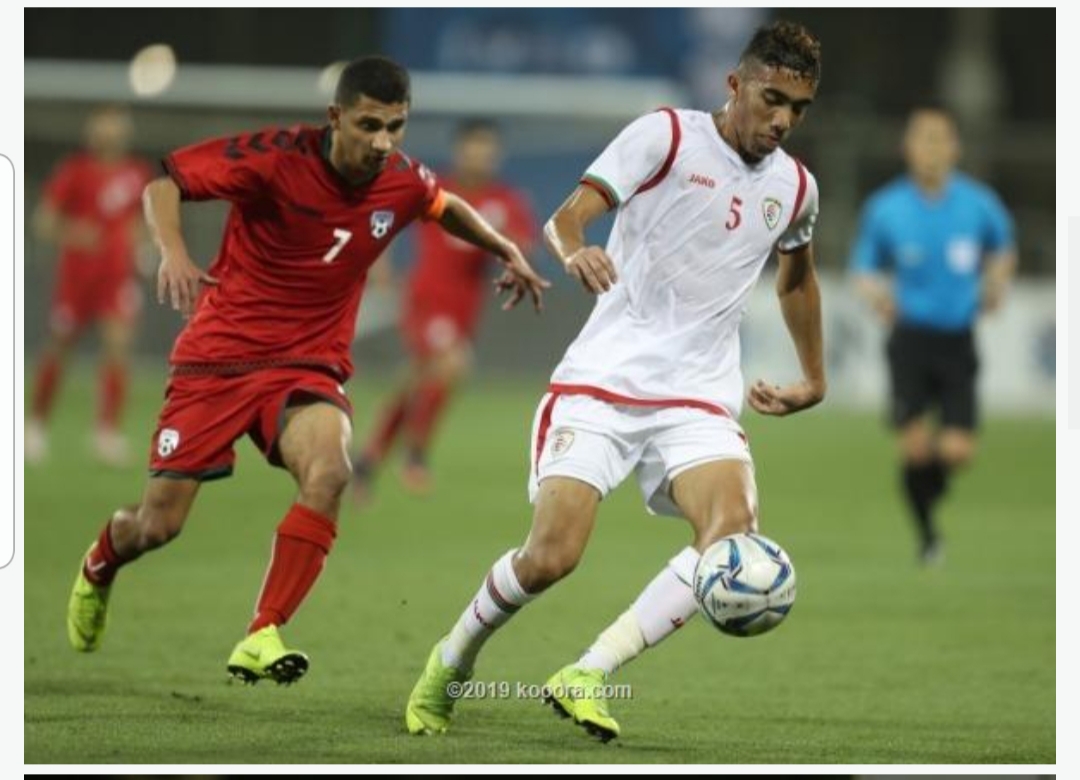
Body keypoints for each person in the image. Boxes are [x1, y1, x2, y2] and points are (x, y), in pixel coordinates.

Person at [64, 56, 549, 685]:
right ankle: (100, 563)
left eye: (395, 127)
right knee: (157, 525)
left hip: (305, 365)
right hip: (219, 359)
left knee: (330, 472)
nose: (383, 142)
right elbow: (165, 183)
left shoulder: (400, 178)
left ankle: (262, 632)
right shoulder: (275, 157)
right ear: (335, 117)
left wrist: (503, 247)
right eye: (369, 125)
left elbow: (441, 203)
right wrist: (173, 252)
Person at [405, 20, 825, 741]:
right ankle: (453, 657)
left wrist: (812, 378)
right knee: (551, 558)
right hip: (603, 382)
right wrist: (575, 251)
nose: (783, 119)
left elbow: (796, 280)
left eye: (798, 107)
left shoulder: (796, 188)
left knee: (730, 538)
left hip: (698, 396)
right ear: (735, 85)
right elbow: (567, 218)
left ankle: (589, 672)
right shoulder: (666, 136)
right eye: (772, 98)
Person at [850, 105, 1016, 565]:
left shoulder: (979, 204)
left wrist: (997, 283)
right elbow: (863, 268)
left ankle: (918, 489)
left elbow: (1003, 249)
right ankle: (929, 538)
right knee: (916, 446)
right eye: (923, 138)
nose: (932, 148)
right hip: (910, 341)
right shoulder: (886, 208)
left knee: (957, 450)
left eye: (940, 138)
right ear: (907, 147)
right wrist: (878, 297)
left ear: (955, 147)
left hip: (958, 340)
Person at [352, 119, 538, 500]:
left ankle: (367, 463)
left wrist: (507, 247)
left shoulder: (505, 199)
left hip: (465, 305)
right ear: (459, 151)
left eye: (487, 151)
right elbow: (385, 215)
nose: (480, 157)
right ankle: (415, 454)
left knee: (415, 381)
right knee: (453, 363)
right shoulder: (435, 187)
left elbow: (524, 246)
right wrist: (379, 262)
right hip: (427, 297)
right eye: (474, 149)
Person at [27, 105, 152, 467]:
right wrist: (74, 232)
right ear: (92, 132)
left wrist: (144, 245)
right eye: (103, 127)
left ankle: (106, 433)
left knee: (119, 347)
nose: (109, 134)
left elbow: (144, 223)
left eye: (115, 128)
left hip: (117, 277)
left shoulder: (136, 173)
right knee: (59, 346)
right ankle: (35, 426)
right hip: (77, 277)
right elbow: (44, 221)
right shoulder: (74, 171)